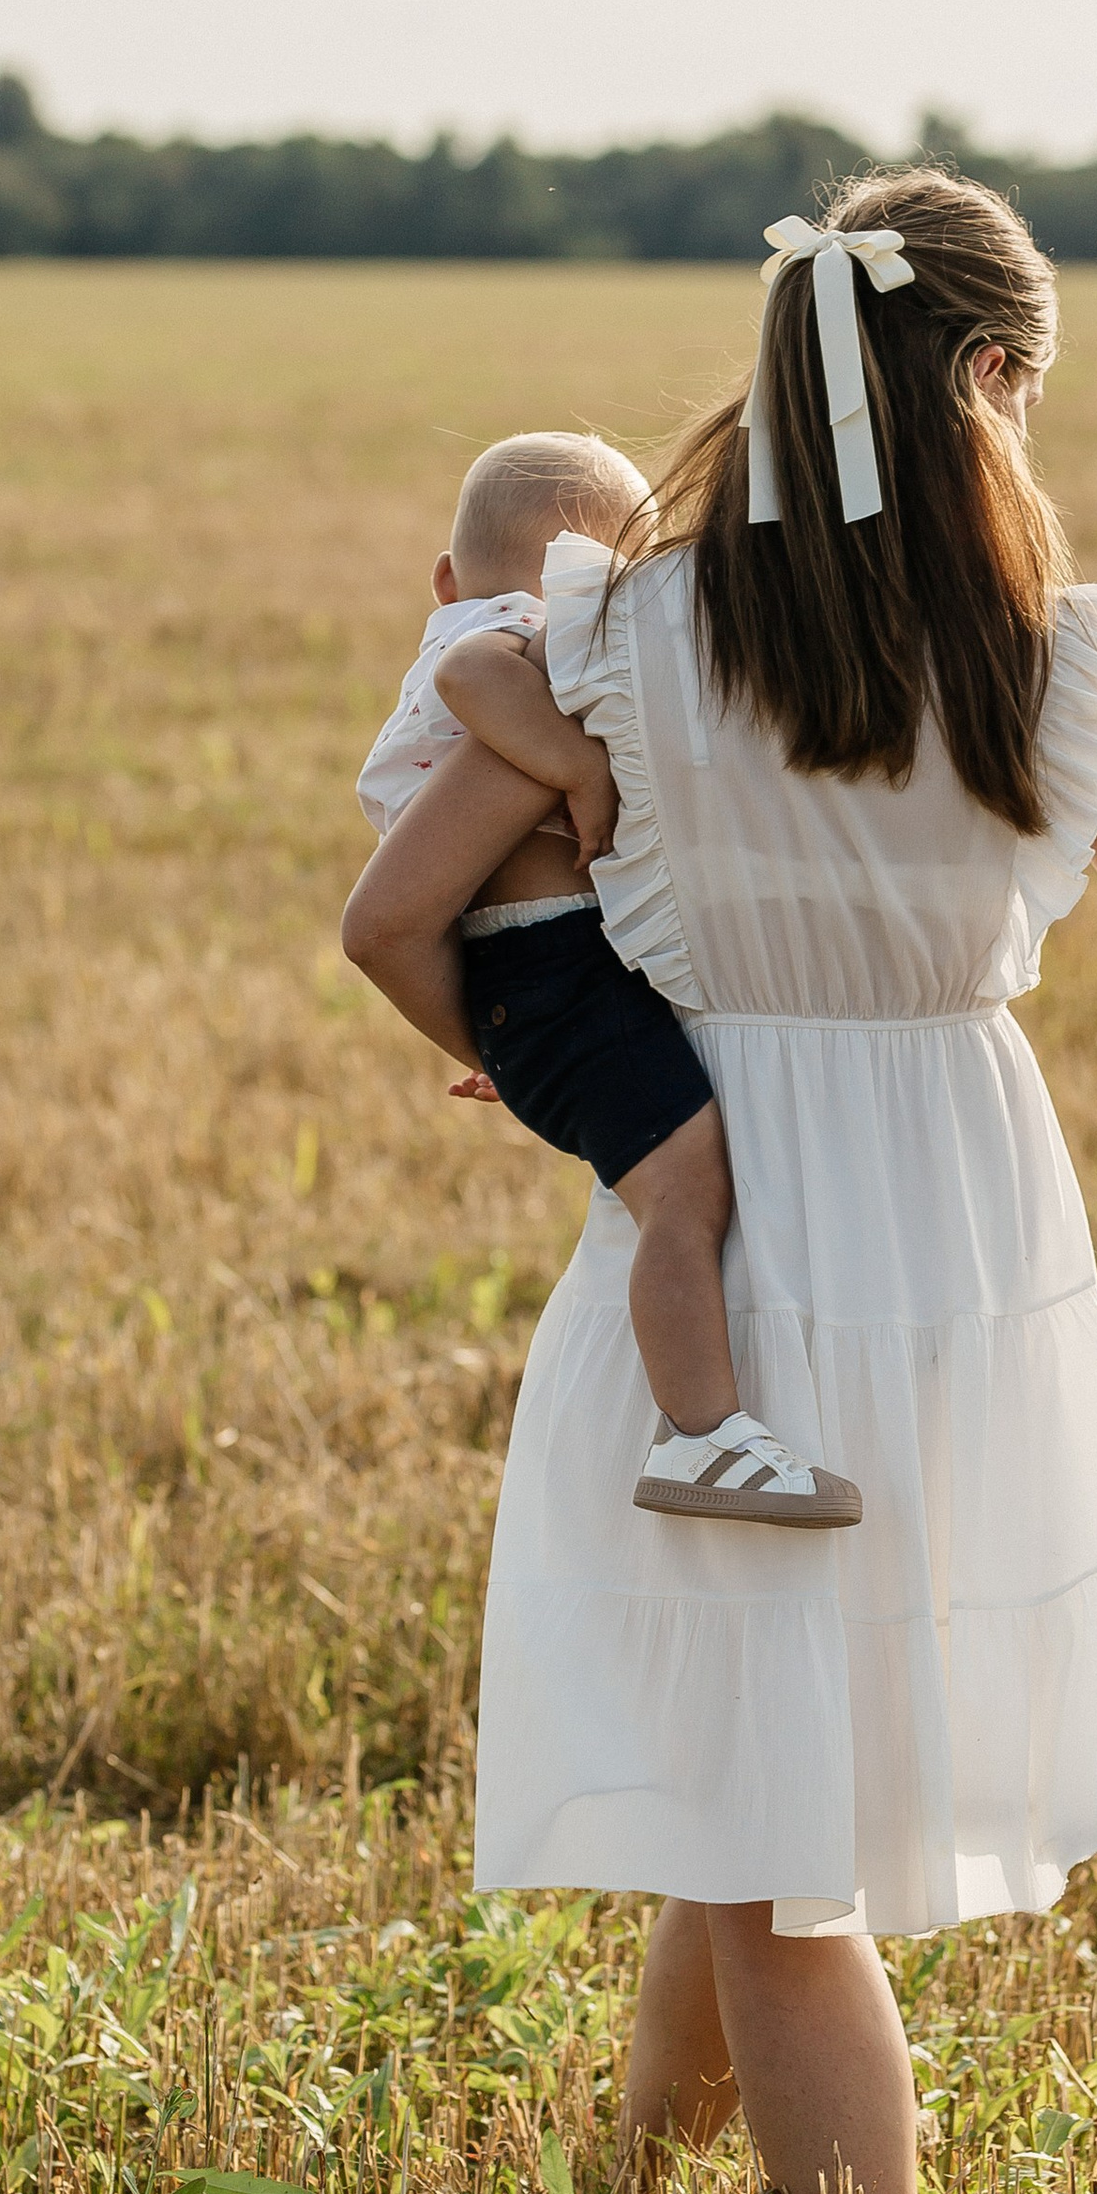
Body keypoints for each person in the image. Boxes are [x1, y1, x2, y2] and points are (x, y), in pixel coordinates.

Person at [341, 170, 1097, 2194]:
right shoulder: (1061, 676)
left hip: (732, 1188)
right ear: (980, 378)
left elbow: (403, 910)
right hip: (957, 1228)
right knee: (762, 1776)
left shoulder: (614, 634)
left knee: (777, 1811)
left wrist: (559, 1081)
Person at [355, 435, 843, 1526]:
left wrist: (503, 1045)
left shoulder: (465, 612)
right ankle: (702, 1433)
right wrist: (576, 765)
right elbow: (467, 675)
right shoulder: (527, 638)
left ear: (443, 575)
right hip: (552, 961)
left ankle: (702, 1424)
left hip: (529, 978)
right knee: (686, 1190)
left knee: (675, 1181)